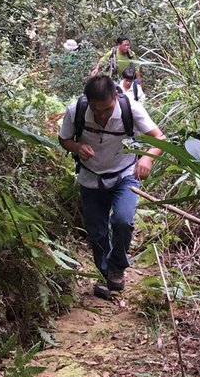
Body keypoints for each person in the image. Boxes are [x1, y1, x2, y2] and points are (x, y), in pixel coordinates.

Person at [58, 73, 163, 298]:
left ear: (116, 96)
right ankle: (107, 274)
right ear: (88, 101)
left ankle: (117, 267)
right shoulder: (75, 110)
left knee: (123, 221)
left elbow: (159, 138)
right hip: (90, 177)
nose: (102, 115)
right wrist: (77, 148)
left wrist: (147, 158)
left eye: (107, 109)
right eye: (96, 110)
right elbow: (63, 139)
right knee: (96, 232)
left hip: (124, 174)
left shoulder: (131, 109)